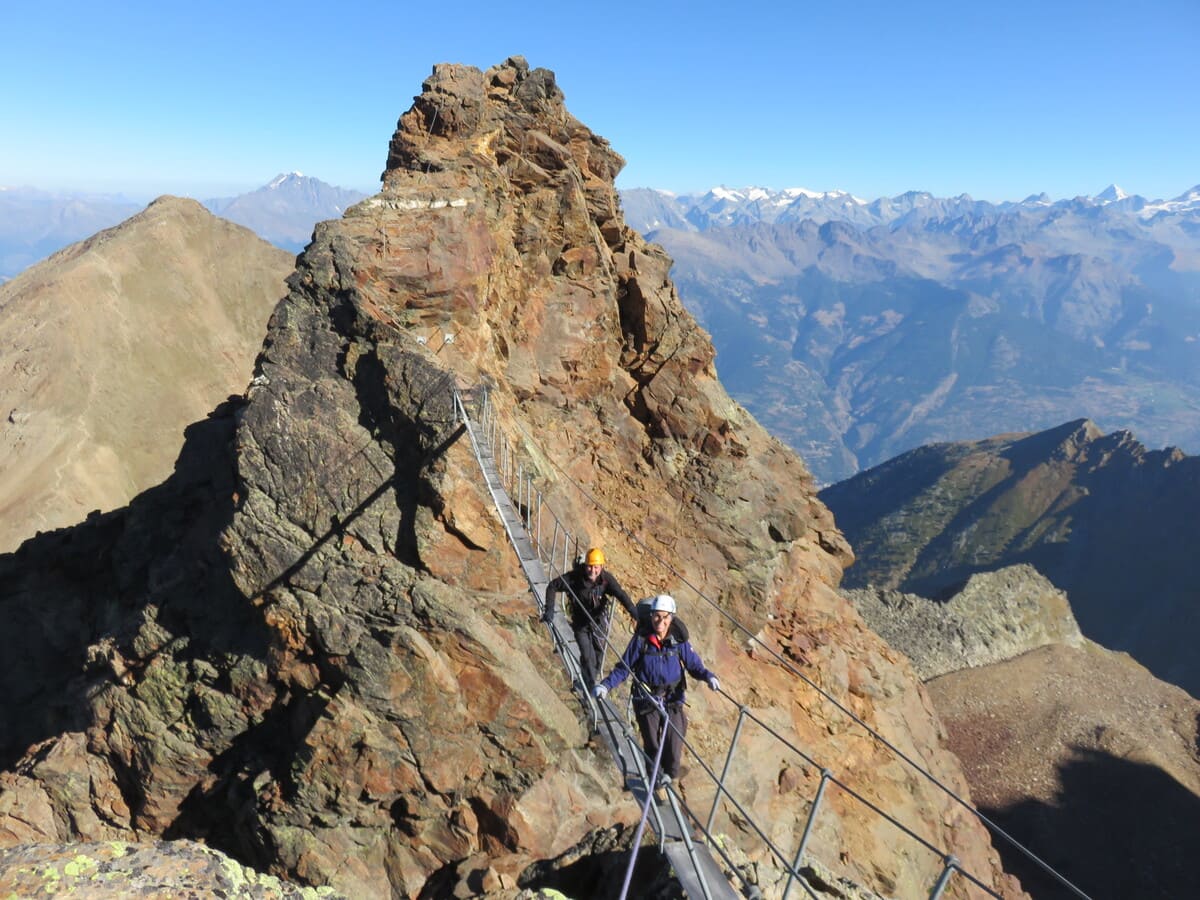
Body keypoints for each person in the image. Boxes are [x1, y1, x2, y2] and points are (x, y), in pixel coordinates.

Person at [593, 594, 720, 800]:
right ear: (651, 616)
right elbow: (624, 668)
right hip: (646, 698)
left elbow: (694, 665)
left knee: (675, 736)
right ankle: (657, 782)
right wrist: (606, 685)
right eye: (656, 617)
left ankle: (670, 775)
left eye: (664, 617)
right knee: (652, 743)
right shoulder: (641, 640)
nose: (660, 622)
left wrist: (708, 677)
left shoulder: (678, 642)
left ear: (671, 618)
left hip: (672, 697)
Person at [542, 547, 637, 690]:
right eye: (590, 567)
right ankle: (589, 686)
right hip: (581, 624)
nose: (593, 571)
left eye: (596, 567)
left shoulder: (606, 579)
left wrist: (635, 614)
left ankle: (589, 681)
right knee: (587, 656)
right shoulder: (575, 578)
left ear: (601, 567)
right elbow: (552, 586)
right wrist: (549, 609)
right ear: (585, 566)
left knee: (598, 654)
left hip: (599, 621)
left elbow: (621, 595)